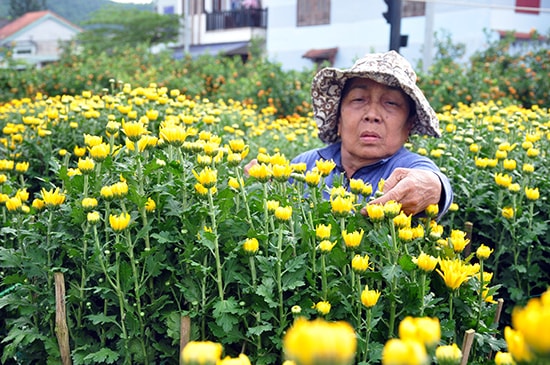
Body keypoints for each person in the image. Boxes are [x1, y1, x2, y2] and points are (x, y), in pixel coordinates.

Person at [248, 51, 453, 218]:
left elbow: (434, 182)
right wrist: (261, 185)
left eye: (390, 102)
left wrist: (434, 187)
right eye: (358, 99)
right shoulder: (306, 164)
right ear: (337, 117)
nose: (372, 115)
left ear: (409, 124)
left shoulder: (408, 169)